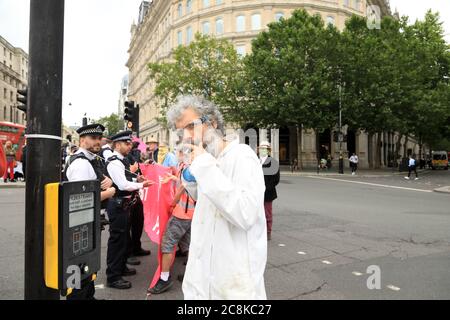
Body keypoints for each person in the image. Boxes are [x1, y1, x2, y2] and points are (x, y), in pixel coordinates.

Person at [167, 95, 267, 299]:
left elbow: (245, 213)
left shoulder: (242, 155)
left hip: (235, 286)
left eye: (189, 127)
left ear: (211, 123)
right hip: (203, 282)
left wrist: (204, 167)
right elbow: (209, 209)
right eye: (181, 131)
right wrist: (192, 178)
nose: (185, 136)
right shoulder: (209, 160)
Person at [64, 123, 116, 300]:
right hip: (79, 224)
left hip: (87, 221)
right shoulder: (81, 163)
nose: (97, 142)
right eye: (93, 138)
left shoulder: (90, 160)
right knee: (78, 267)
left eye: (99, 138)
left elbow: (92, 184)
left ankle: (89, 297)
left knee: (87, 264)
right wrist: (108, 193)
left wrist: (105, 180)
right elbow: (78, 200)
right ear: (82, 140)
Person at [105, 131, 153, 289]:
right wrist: (142, 185)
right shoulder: (114, 162)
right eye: (127, 143)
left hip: (124, 205)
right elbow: (122, 185)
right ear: (117, 145)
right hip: (118, 204)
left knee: (124, 239)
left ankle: (121, 267)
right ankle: (113, 276)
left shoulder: (122, 160)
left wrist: (136, 179)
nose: (130, 145)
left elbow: (126, 178)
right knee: (117, 241)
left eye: (130, 143)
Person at [148, 160, 196, 294]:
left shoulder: (192, 167)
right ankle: (192, 275)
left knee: (167, 244)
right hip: (191, 214)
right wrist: (174, 177)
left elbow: (184, 187)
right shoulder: (198, 166)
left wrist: (172, 203)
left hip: (181, 214)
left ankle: (164, 279)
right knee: (189, 245)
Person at [258, 141, 280, 241]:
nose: (262, 150)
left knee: (267, 213)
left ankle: (268, 232)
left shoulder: (273, 162)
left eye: (264, 148)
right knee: (257, 213)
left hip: (268, 193)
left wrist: (265, 188)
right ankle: (258, 231)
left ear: (268, 150)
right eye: (261, 148)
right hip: (256, 192)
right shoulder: (255, 161)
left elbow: (276, 179)